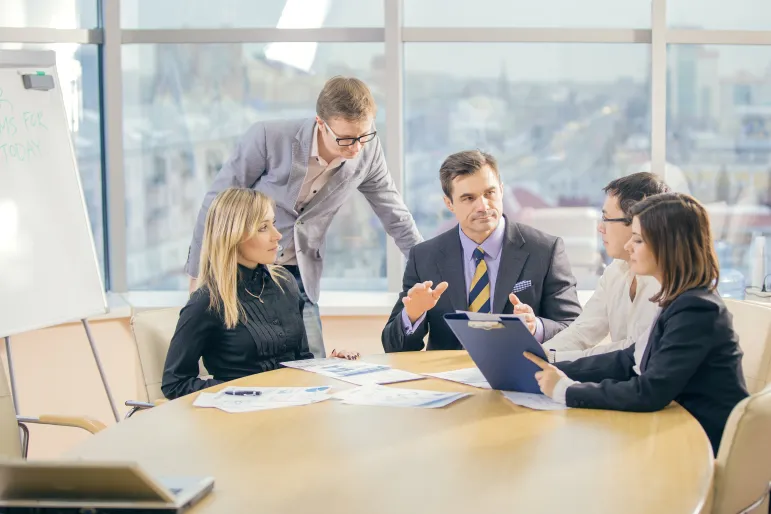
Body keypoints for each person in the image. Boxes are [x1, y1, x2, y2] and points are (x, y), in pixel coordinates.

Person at [185, 76, 422, 359]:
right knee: (246, 362)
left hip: (300, 275)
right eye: (346, 138)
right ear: (320, 124)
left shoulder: (367, 153)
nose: (356, 147)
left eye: (364, 135)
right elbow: (216, 204)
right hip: (244, 272)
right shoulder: (267, 138)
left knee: (315, 365)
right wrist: (199, 270)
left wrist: (427, 264)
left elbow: (394, 213)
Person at [525, 192, 749, 455]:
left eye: (639, 239)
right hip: (674, 428)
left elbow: (650, 391)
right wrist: (550, 367)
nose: (629, 246)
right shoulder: (677, 300)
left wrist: (567, 390)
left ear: (669, 247)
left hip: (701, 445)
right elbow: (627, 360)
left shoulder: (697, 309)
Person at [163, 189, 358, 400]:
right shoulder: (206, 301)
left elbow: (301, 359)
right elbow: (175, 383)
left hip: (291, 409)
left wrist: (330, 366)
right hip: (240, 421)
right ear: (234, 235)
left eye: (273, 223)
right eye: (263, 228)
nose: (277, 235)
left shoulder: (285, 283)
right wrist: (243, 390)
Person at [381, 150, 582, 353]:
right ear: (449, 204)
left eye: (489, 193)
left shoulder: (545, 250)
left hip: (520, 376)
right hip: (446, 379)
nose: (483, 206)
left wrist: (535, 327)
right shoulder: (424, 257)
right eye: (468, 198)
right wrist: (412, 314)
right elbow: (393, 347)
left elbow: (575, 331)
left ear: (501, 191)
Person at [544, 173, 669, 362]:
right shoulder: (615, 271)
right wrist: (538, 356)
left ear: (639, 221)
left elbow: (633, 351)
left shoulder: (665, 279)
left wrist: (552, 360)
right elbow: (582, 332)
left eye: (607, 219)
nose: (600, 228)